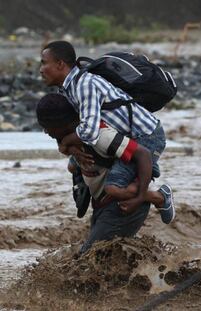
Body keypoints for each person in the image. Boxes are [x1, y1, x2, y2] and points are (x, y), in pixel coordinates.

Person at [39, 40, 172, 215]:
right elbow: (75, 127)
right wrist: (70, 147)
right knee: (73, 165)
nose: (40, 70)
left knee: (114, 189)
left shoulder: (85, 85)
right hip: (119, 136)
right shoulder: (67, 89)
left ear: (60, 64)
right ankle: (91, 185)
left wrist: (65, 143)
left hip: (146, 136)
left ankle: (160, 197)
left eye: (43, 63)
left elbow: (89, 131)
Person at [36, 94, 174, 252]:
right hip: (102, 207)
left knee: (87, 261)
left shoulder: (100, 136)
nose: (45, 132)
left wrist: (142, 196)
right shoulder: (69, 141)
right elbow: (71, 160)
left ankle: (160, 196)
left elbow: (143, 155)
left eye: (46, 127)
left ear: (61, 124)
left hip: (123, 207)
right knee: (106, 265)